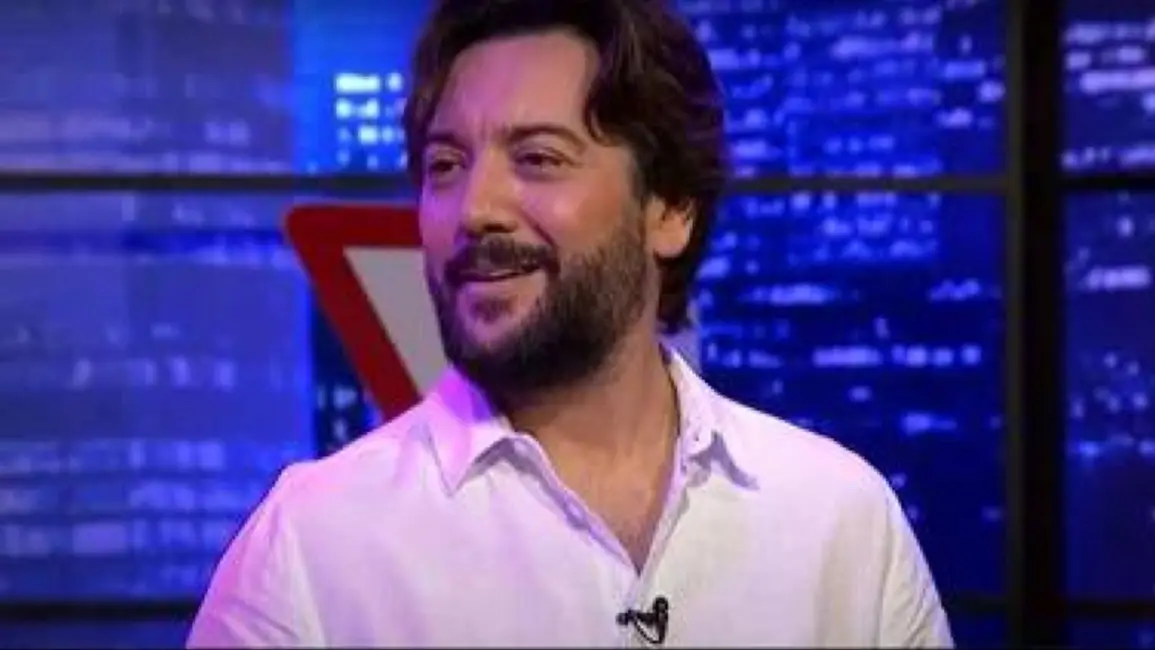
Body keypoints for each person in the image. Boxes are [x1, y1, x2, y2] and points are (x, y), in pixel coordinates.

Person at [187, 0, 955, 646]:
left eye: (538, 159)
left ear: (669, 208)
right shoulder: (310, 549)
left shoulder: (839, 524)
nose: (474, 210)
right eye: (445, 166)